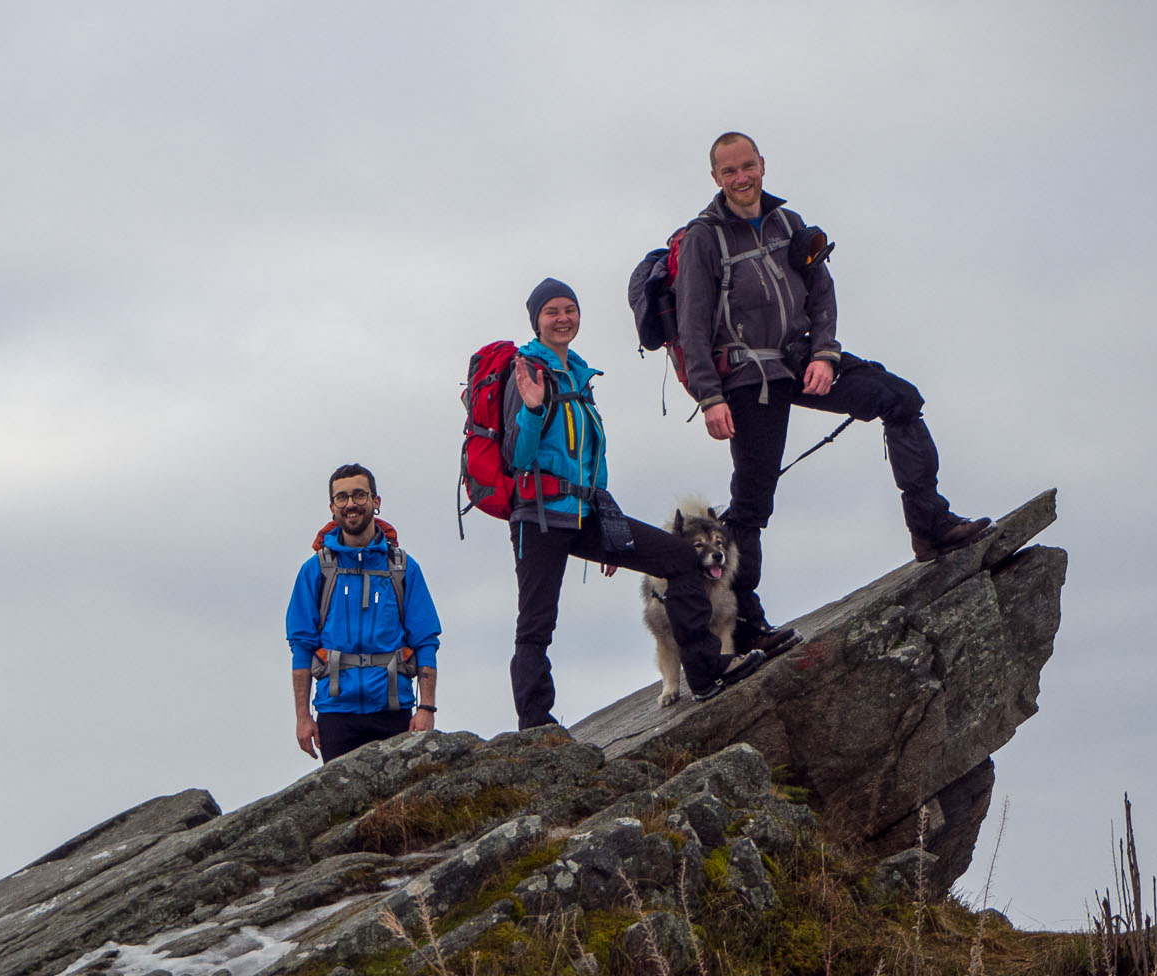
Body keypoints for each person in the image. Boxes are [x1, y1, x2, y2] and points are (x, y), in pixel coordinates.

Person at [673, 131, 991, 656]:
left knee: (900, 399)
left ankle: (931, 526)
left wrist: (824, 352)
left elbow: (821, 292)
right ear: (715, 178)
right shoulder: (706, 238)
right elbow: (690, 325)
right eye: (729, 172)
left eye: (747, 166)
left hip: (801, 358)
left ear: (763, 165)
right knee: (752, 503)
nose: (741, 178)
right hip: (748, 377)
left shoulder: (787, 223)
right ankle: (748, 626)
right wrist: (710, 397)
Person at [505, 278, 765, 729]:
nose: (563, 318)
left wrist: (610, 526)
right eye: (552, 312)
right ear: (537, 321)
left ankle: (704, 672)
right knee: (536, 623)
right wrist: (530, 409)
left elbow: (590, 458)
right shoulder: (527, 371)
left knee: (682, 558)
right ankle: (535, 724)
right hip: (540, 517)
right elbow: (517, 458)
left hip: (587, 513)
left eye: (570, 309)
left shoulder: (579, 373)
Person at [287, 465, 442, 763]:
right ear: (332, 508)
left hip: (393, 712)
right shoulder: (315, 570)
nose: (351, 504)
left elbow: (426, 641)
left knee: (402, 808)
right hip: (335, 714)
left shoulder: (403, 568)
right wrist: (303, 717)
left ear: (376, 501)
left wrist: (427, 709)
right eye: (342, 498)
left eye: (359, 495)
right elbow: (301, 646)